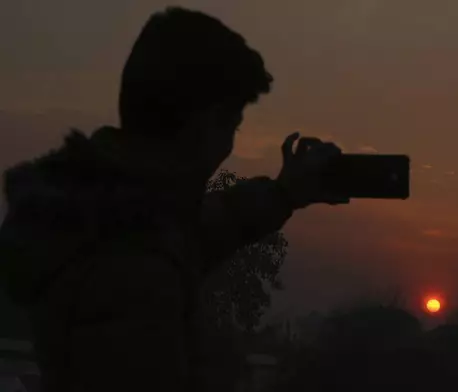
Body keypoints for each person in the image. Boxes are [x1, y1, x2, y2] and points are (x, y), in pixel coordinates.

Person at [0, 7, 347, 392]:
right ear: (205, 124)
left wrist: (285, 193)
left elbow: (206, 225)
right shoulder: (134, 269)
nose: (227, 146)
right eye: (231, 126)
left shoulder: (107, 215)